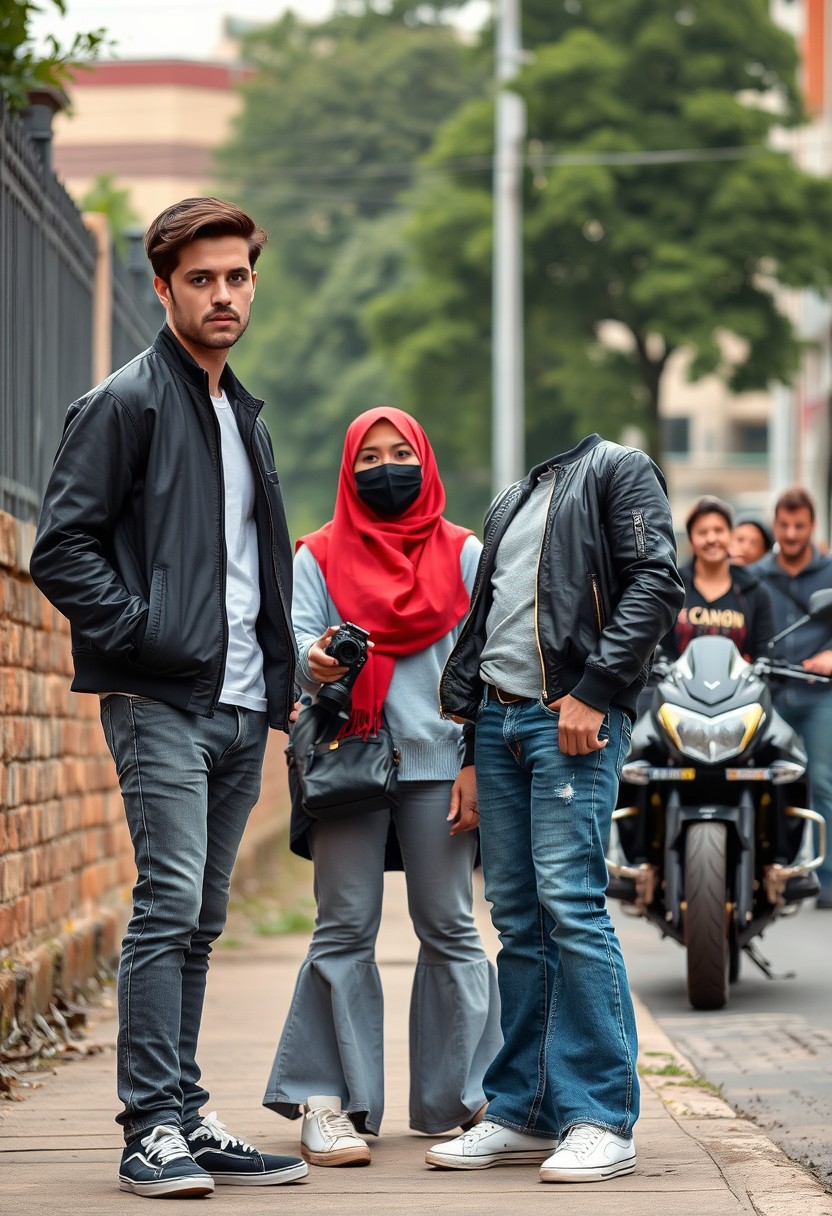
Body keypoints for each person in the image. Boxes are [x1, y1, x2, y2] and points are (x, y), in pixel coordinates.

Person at [29, 197, 307, 1198]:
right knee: (167, 903)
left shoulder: (243, 414)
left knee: (201, 916)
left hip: (237, 710)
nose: (223, 294)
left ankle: (185, 1112)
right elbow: (58, 546)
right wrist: (151, 636)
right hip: (163, 700)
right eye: (202, 279)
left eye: (237, 276)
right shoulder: (128, 401)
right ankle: (148, 1125)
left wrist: (280, 677)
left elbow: (248, 567)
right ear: (163, 287)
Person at [429, 433, 683, 1184]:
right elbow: (491, 626)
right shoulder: (512, 499)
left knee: (571, 904)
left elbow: (656, 584)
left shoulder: (616, 470)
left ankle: (604, 1115)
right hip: (501, 723)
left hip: (569, 715)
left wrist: (597, 691)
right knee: (517, 916)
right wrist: (473, 747)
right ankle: (524, 1108)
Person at [262, 406, 501, 1165]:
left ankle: (466, 1101)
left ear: (425, 460)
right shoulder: (320, 555)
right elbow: (297, 643)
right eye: (369, 458)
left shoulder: (466, 554)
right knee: (344, 927)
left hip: (439, 763)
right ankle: (325, 1102)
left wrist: (473, 765)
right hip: (348, 760)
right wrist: (320, 660)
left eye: (400, 453)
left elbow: (489, 668)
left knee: (452, 927)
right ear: (347, 469)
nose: (385, 468)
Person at [752, 486, 832, 909]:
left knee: (821, 780)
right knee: (759, 778)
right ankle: (765, 870)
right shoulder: (758, 573)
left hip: (819, 695)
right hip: (771, 693)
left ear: (811, 525)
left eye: (800, 525)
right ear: (775, 524)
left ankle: (827, 877)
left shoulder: (830, 570)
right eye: (784, 524)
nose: (791, 532)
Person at [660, 496, 773, 662]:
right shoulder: (672, 586)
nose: (711, 539)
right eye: (702, 532)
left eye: (719, 530)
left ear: (731, 534)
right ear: (691, 538)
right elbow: (660, 651)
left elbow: (765, 655)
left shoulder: (755, 591)